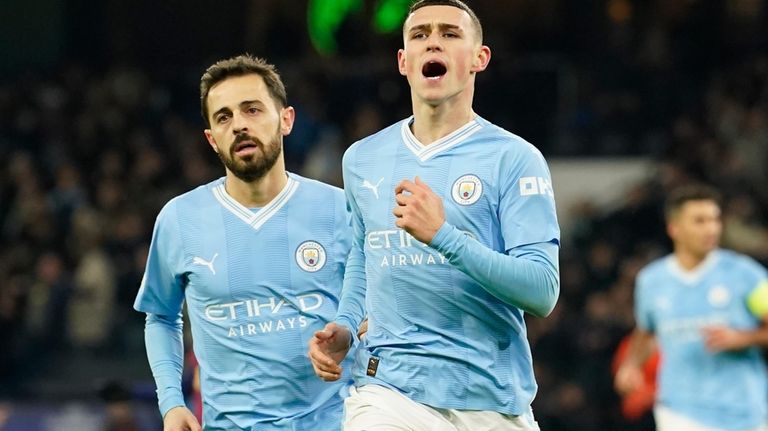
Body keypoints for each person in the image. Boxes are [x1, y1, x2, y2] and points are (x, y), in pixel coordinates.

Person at [308, 1, 560, 430]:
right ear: (404, 62)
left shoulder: (514, 158)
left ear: (479, 58)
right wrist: (347, 325)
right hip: (388, 391)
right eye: (420, 35)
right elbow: (362, 257)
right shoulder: (363, 159)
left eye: (449, 33)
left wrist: (443, 235)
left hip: (490, 399)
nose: (433, 43)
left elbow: (542, 291)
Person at [134, 54, 354, 431]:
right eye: (223, 117)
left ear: (286, 120)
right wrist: (172, 403)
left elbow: (378, 308)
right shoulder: (179, 219)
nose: (238, 125)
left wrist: (350, 333)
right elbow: (161, 316)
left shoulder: (341, 210)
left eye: (252, 110)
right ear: (211, 139)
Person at [614, 184, 768, 431]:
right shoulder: (651, 281)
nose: (711, 228)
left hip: (744, 411)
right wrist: (631, 366)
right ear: (674, 228)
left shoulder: (746, 275)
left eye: (715, 220)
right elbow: (645, 332)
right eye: (700, 221)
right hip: (680, 410)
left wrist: (744, 337)